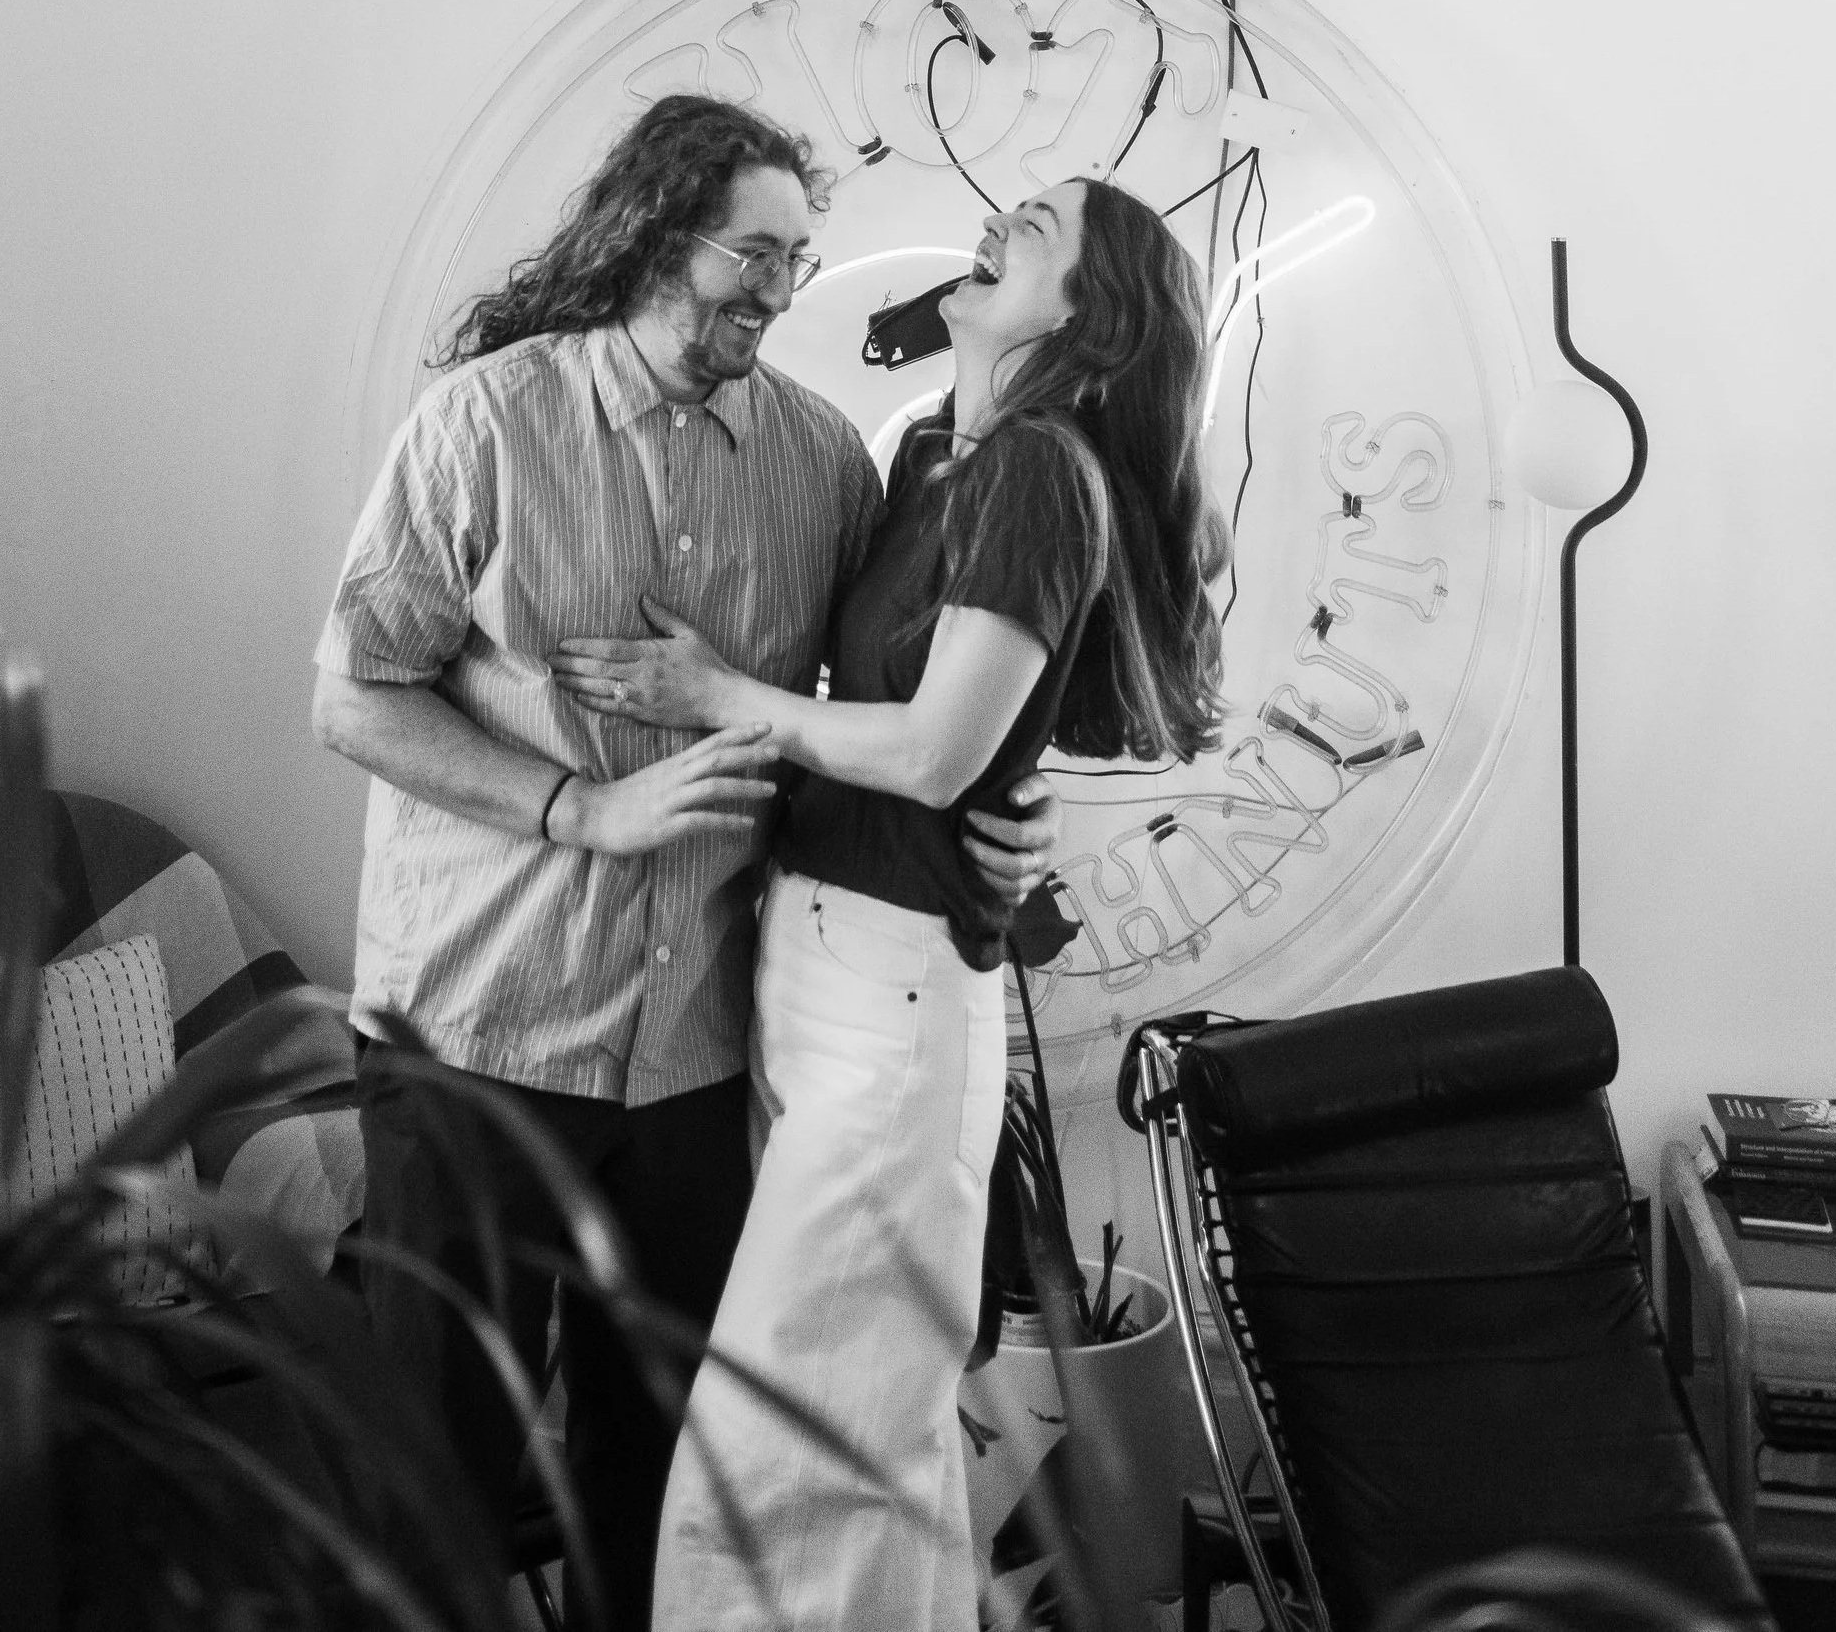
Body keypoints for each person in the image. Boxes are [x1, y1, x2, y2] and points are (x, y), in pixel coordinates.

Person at [310, 94, 1059, 1632]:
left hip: (697, 1068)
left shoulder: (822, 465)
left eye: (803, 256)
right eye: (757, 252)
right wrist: (575, 812)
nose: (783, 291)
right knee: (430, 1489)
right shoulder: (485, 421)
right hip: (477, 1039)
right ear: (657, 230)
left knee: (656, 1495)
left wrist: (1002, 820)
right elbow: (350, 691)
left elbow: (869, 727)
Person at [554, 174, 1228, 1632]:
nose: (1001, 222)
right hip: (808, 975)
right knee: (867, 1448)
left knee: (777, 1451)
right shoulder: (933, 449)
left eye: (1040, 227)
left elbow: (932, 749)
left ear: (1090, 317)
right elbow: (954, 738)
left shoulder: (1041, 469)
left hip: (896, 1001)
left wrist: (721, 698)